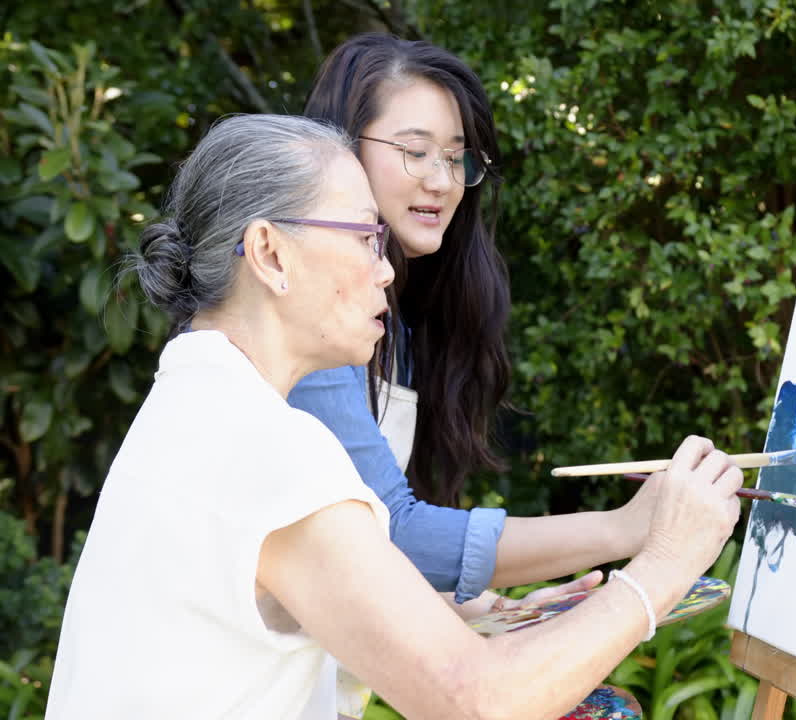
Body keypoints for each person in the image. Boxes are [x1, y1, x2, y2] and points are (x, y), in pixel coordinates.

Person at [45, 114, 743, 719]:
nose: (385, 270)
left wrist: (447, 618)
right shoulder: (266, 446)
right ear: (268, 253)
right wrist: (663, 568)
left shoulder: (197, 407)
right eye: (362, 237)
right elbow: (480, 701)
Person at [287, 33, 670, 613]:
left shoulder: (392, 323)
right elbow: (387, 530)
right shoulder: (306, 314)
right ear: (341, 151)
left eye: (454, 157)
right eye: (415, 151)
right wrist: (627, 530)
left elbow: (342, 553)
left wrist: (485, 610)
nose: (442, 182)